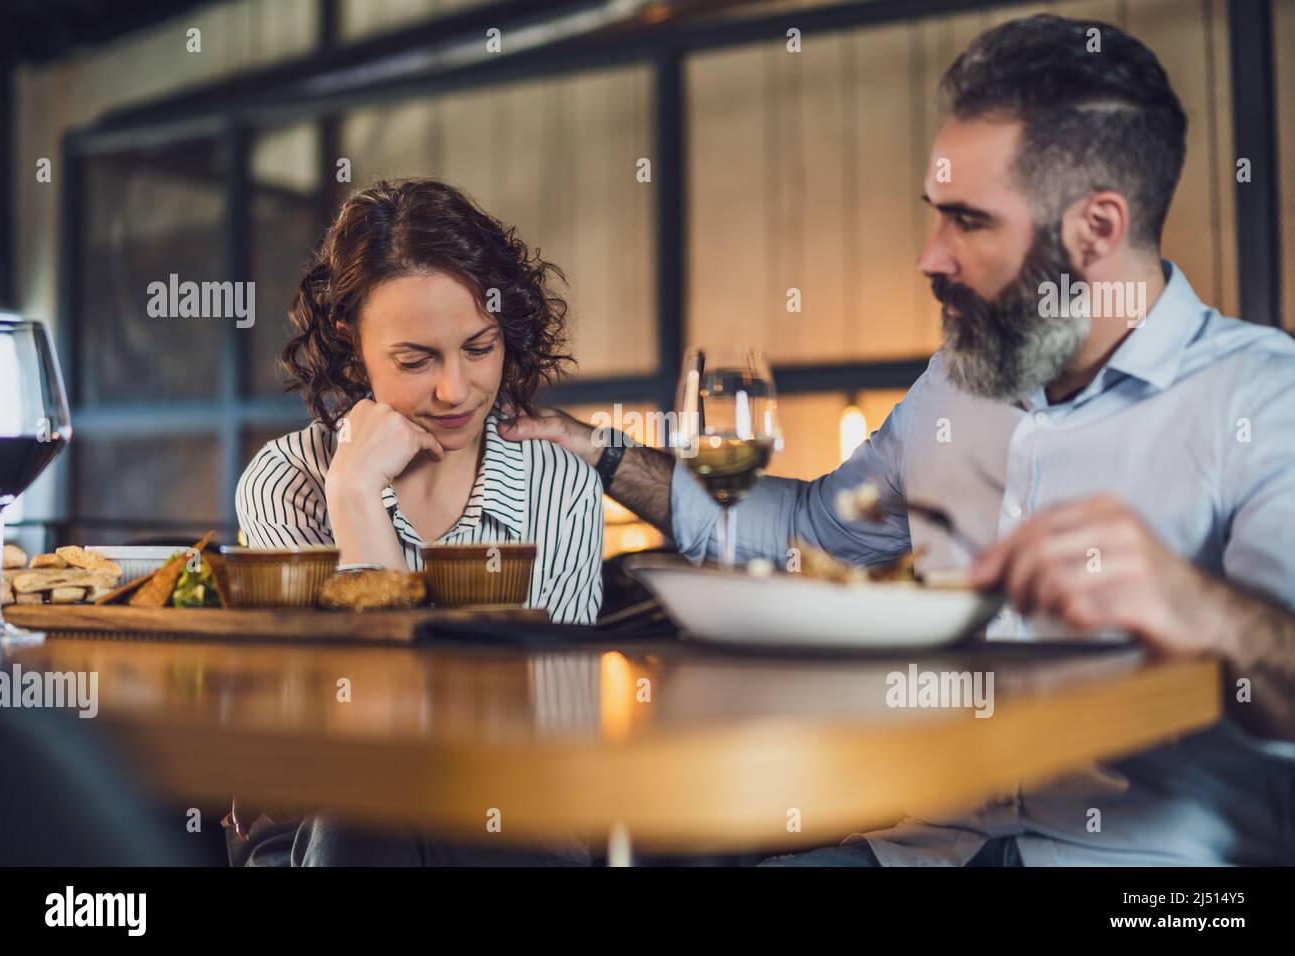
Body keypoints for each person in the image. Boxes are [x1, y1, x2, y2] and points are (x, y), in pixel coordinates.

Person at [502, 13, 1295, 866]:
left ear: (1097, 229)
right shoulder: (952, 386)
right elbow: (808, 529)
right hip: (926, 849)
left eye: (969, 221)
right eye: (935, 216)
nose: (929, 256)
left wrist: (1196, 607)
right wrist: (603, 452)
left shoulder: (1261, 395)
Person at [229, 178, 601, 865]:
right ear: (352, 345)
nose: (456, 390)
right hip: (327, 824)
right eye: (415, 360)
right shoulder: (287, 482)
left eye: (480, 348)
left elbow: (557, 736)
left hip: (513, 814)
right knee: (370, 798)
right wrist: (355, 493)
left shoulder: (561, 485)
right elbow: (350, 738)